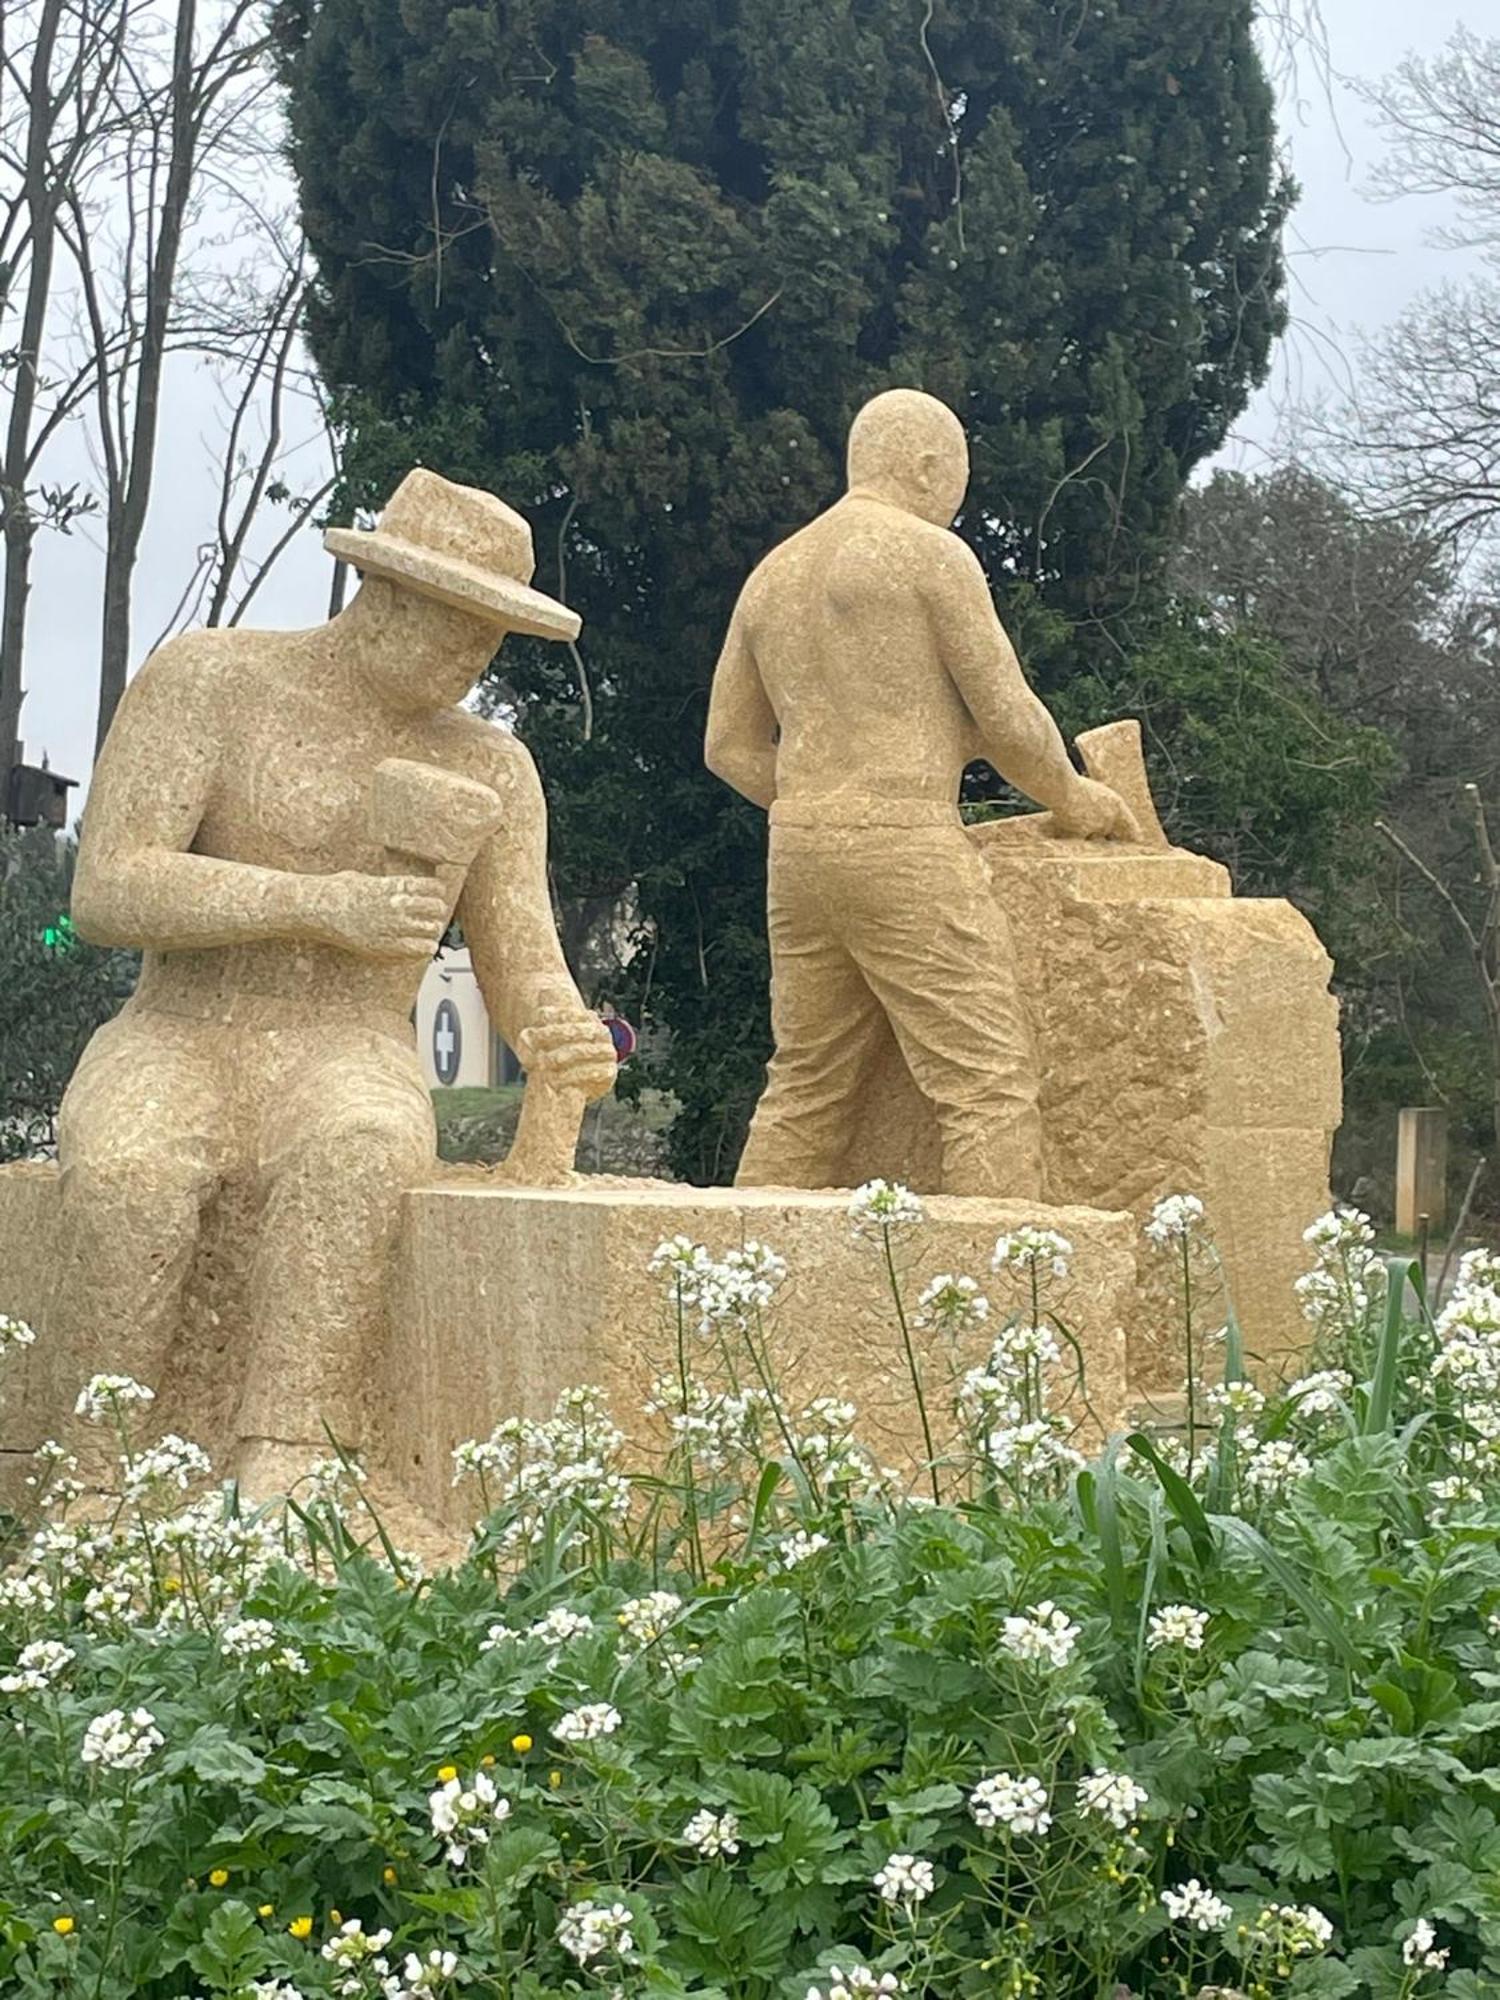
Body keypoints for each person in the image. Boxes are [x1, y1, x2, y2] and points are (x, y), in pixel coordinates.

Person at [57, 469, 617, 1494]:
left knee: (359, 1148)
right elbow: (110, 885)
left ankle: (294, 1453)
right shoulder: (211, 683)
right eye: (456, 628)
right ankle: (98, 1471)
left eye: (490, 640)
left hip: (351, 1042)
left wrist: (561, 1029)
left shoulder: (492, 768)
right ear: (388, 596)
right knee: (133, 1170)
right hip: (178, 1026)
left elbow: (523, 959)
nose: (472, 661)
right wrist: (321, 902)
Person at [705, 387, 1138, 1198]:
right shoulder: (925, 554)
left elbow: (726, 747)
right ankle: (1002, 1312)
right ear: (932, 466)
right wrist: (1074, 798)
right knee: (986, 1085)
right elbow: (1009, 719)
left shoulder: (773, 574)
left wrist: (821, 804)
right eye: (958, 481)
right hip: (901, 840)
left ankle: (739, 1315)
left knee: (802, 1089)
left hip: (797, 850)